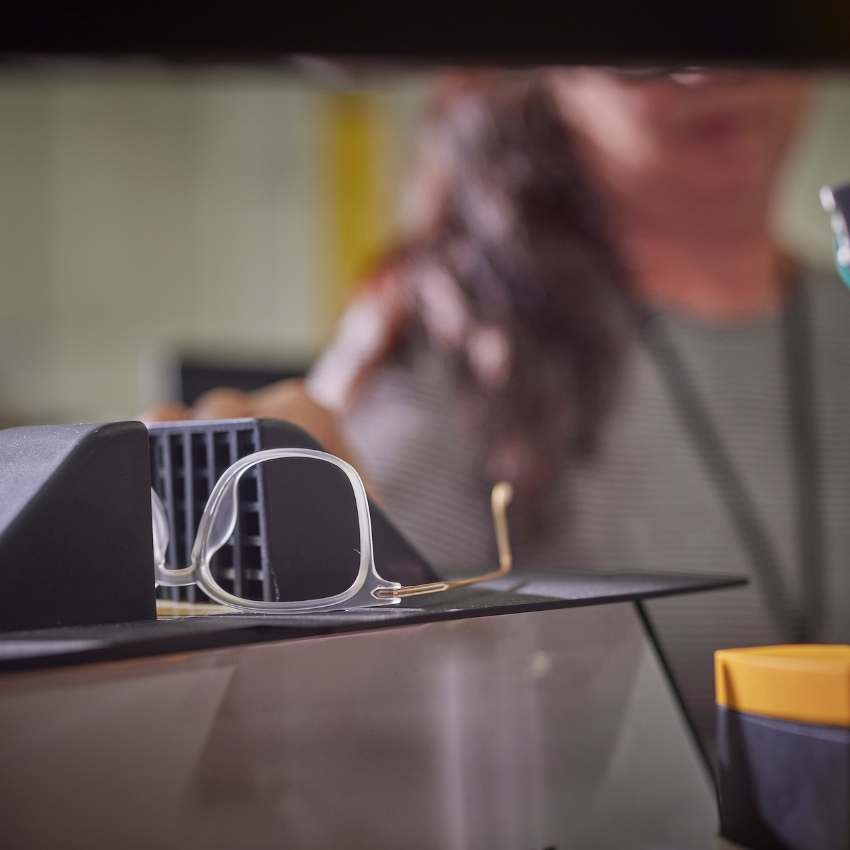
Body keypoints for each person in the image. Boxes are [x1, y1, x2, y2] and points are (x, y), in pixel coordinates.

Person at [146, 69, 850, 759]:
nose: (714, 78)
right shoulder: (460, 344)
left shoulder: (833, 318)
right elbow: (331, 716)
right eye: (651, 55)